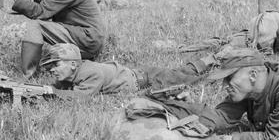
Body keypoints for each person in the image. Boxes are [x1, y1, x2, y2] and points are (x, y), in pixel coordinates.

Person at [39, 43, 212, 98]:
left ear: (73, 65)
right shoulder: (72, 72)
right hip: (137, 73)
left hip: (145, 79)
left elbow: (81, 97)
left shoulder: (90, 73)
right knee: (178, 73)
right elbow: (62, 86)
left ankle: (213, 67)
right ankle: (205, 62)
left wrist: (53, 92)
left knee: (186, 81)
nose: (51, 70)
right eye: (49, 67)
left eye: (55, 65)